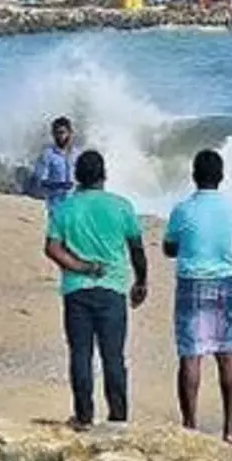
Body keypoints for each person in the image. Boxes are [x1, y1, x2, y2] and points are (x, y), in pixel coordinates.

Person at [44, 150, 148, 429]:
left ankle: (84, 416)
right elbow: (136, 249)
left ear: (77, 177)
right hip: (112, 289)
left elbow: (52, 249)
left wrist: (81, 267)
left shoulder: (64, 208)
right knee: (113, 355)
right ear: (104, 175)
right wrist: (141, 282)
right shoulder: (122, 206)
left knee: (81, 353)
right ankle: (118, 417)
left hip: (76, 290)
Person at [163, 150, 232, 445]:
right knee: (229, 353)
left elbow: (169, 247)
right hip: (226, 281)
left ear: (194, 175)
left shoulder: (183, 210)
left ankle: (190, 425)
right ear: (221, 176)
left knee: (190, 354)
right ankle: (231, 429)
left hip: (192, 281)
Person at [30, 116, 79, 213]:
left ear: (70, 133)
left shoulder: (76, 154)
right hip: (56, 206)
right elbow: (41, 182)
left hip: (74, 207)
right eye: (56, 133)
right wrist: (60, 185)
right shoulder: (47, 155)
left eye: (62, 132)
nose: (59, 136)